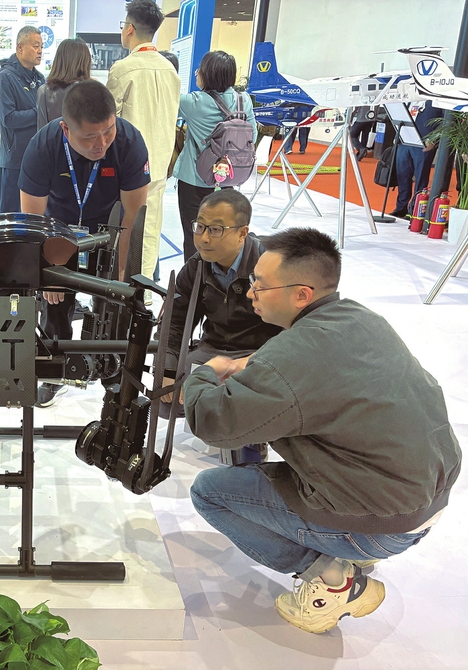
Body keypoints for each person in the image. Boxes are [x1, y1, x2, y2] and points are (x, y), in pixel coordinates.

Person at [184, 227, 461, 634]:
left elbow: (213, 423)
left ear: (301, 294)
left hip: (385, 521)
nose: (250, 293)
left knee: (209, 492)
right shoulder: (360, 318)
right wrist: (259, 365)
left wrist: (205, 374)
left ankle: (332, 580)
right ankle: (352, 547)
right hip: (428, 496)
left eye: (260, 284)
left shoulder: (290, 360)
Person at [19, 80, 149, 407]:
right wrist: (47, 269)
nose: (101, 143)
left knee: (115, 306)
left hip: (109, 233)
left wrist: (122, 271)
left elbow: (132, 218)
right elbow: (33, 219)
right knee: (54, 303)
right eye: (90, 136)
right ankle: (54, 373)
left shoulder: (130, 143)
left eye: (108, 131)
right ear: (66, 129)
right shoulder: (43, 147)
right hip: (58, 232)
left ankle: (113, 376)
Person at [156, 190, 281, 465]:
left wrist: (255, 364)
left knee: (243, 397)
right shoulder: (196, 266)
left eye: (215, 229)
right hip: (213, 349)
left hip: (259, 354)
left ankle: (253, 437)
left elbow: (292, 331)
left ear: (242, 233)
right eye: (200, 227)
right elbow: (173, 323)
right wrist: (166, 369)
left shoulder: (270, 266)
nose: (203, 238)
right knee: (165, 398)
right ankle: (220, 424)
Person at [108, 0, 181, 305]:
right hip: (160, 161)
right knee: (151, 228)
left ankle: (118, 287)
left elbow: (108, 120)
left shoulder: (123, 69)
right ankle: (144, 292)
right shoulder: (170, 70)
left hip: (128, 164)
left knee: (121, 226)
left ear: (130, 28)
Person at [174, 51, 257, 261]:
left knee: (194, 236)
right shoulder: (243, 100)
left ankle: (194, 277)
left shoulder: (193, 102)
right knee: (221, 235)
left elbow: (165, 102)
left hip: (195, 179)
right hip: (228, 178)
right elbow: (253, 135)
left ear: (206, 74)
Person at [0, 26, 45, 213]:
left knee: (33, 218)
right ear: (20, 47)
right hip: (14, 161)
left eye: (41, 47)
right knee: (9, 217)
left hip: (37, 159)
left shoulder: (40, 79)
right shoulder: (5, 78)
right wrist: (39, 112)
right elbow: (8, 118)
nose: (40, 51)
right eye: (35, 46)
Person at [391, 100, 444, 219]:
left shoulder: (436, 100)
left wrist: (433, 139)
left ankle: (415, 209)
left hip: (424, 144)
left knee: (421, 178)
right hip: (404, 141)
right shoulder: (411, 98)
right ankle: (400, 208)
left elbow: (443, 122)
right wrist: (397, 135)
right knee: (402, 175)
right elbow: (402, 117)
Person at [36, 38, 91, 130]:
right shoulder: (91, 90)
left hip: (53, 139)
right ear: (85, 62)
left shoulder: (43, 91)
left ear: (58, 61)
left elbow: (42, 131)